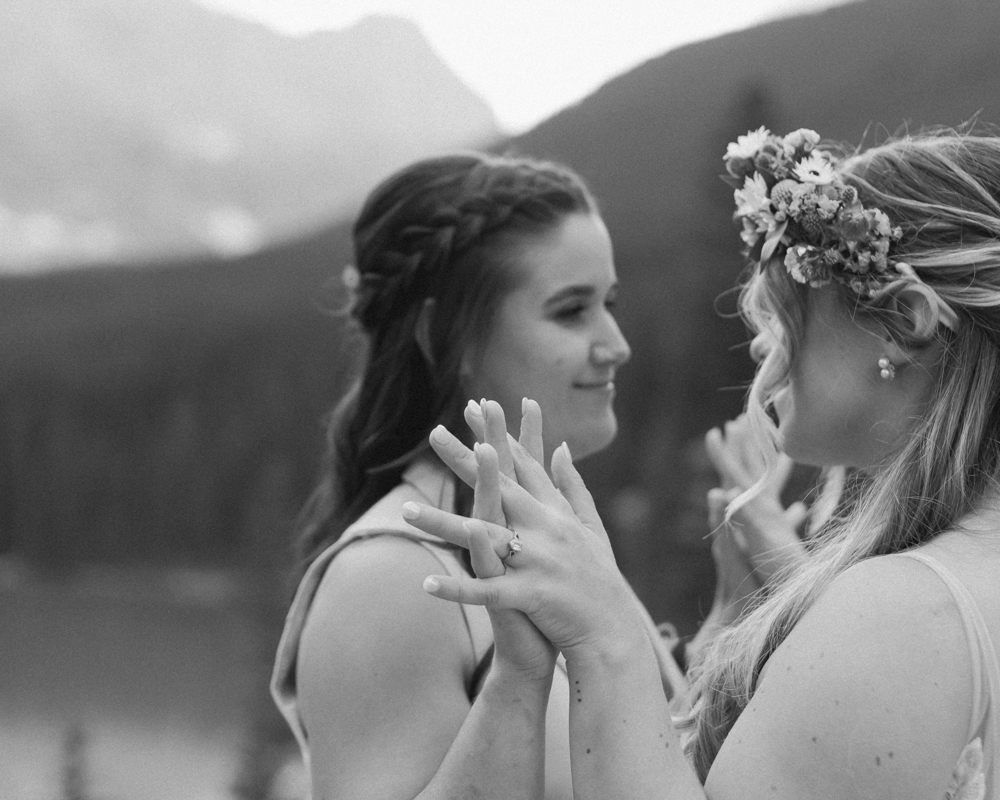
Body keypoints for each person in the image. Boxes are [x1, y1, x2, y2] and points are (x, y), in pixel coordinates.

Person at [407, 126, 1000, 799]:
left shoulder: (897, 612)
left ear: (905, 320)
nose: (766, 354)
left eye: (791, 318)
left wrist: (607, 635)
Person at [269, 151, 686, 800]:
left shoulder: (544, 537)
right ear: (446, 337)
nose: (617, 343)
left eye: (610, 302)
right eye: (572, 310)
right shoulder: (393, 574)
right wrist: (516, 682)